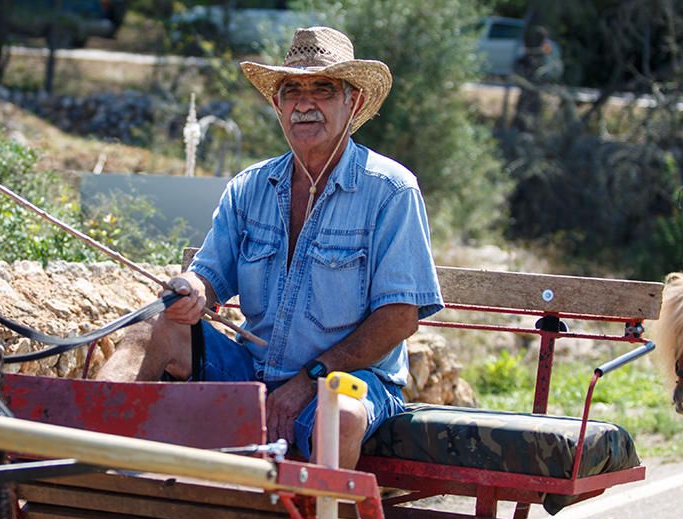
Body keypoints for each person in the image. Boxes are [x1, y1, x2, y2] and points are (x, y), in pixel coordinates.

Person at [99, 26, 443, 468]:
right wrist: (192, 289)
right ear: (278, 105)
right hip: (252, 373)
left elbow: (398, 319)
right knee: (153, 328)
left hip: (347, 383)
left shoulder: (391, 191)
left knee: (341, 416)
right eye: (291, 90)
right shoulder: (250, 187)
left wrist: (308, 380)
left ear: (352, 102)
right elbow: (209, 277)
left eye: (322, 88)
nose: (304, 102)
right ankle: (90, 471)